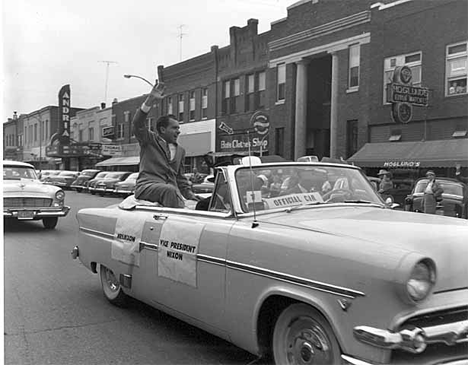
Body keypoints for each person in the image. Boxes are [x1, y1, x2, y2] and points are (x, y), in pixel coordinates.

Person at [132, 81, 199, 208]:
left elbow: (179, 178)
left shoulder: (180, 151)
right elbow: (137, 124)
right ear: (163, 130)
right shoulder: (149, 140)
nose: (178, 131)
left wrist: (191, 195)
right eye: (174, 128)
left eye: (178, 128)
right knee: (169, 190)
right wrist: (150, 100)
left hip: (171, 192)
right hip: (147, 187)